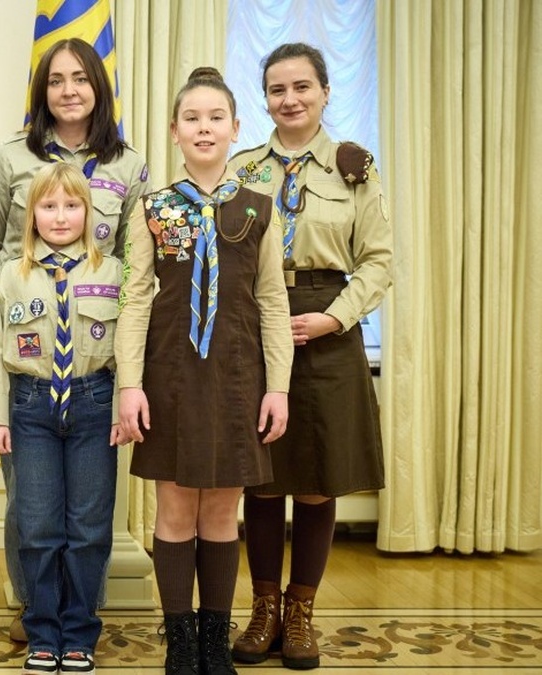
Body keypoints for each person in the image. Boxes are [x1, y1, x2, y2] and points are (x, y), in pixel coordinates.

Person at [115, 67, 293, 675]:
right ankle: (181, 639)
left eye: (216, 117)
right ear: (174, 131)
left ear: (236, 128)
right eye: (191, 118)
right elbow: (135, 299)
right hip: (168, 379)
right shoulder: (154, 209)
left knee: (221, 510)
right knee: (174, 508)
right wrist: (130, 385)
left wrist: (279, 389)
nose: (204, 127)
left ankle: (215, 638)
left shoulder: (258, 209)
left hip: (239, 379)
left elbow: (273, 303)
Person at [0, 37, 148, 642]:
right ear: (41, 90)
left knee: (88, 513)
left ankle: (80, 620)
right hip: (28, 346)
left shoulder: (128, 165)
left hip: (97, 359)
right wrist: (32, 292)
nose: (69, 90)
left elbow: (133, 264)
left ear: (99, 88)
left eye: (81, 78)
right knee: (32, 506)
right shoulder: (8, 159)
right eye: (56, 80)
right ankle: (35, 613)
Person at [227, 43, 392, 671]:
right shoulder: (244, 170)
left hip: (328, 325)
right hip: (257, 325)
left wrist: (332, 318)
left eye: (302, 87)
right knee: (262, 478)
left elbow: (378, 260)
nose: (289, 99)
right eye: (276, 89)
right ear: (263, 98)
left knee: (318, 483)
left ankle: (301, 612)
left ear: (325, 92)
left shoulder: (355, 169)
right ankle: (263, 607)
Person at [0, 162, 124, 675]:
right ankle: (42, 631)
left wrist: (125, 404)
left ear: (90, 212)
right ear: (31, 215)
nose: (60, 216)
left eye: (72, 205)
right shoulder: (11, 273)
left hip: (94, 404)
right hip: (30, 407)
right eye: (48, 205)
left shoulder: (114, 271)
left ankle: (79, 633)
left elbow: (129, 349)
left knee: (88, 527)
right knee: (36, 525)